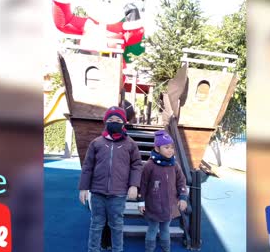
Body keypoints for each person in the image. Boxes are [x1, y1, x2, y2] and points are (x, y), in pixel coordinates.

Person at [78, 106, 143, 252]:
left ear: (124, 123)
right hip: (97, 192)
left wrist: (134, 185)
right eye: (111, 119)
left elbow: (136, 165)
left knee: (117, 225)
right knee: (96, 224)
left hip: (118, 193)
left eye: (118, 120)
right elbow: (88, 166)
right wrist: (83, 188)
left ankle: (117, 250)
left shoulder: (130, 144)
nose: (114, 122)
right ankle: (93, 249)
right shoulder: (96, 143)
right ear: (105, 122)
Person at [138, 130, 188, 252]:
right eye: (166, 147)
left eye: (172, 147)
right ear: (157, 148)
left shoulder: (174, 165)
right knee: (153, 229)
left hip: (169, 206)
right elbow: (142, 185)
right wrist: (141, 202)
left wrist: (183, 197)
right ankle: (149, 249)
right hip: (153, 206)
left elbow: (181, 181)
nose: (170, 150)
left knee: (165, 229)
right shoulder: (149, 166)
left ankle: (166, 249)